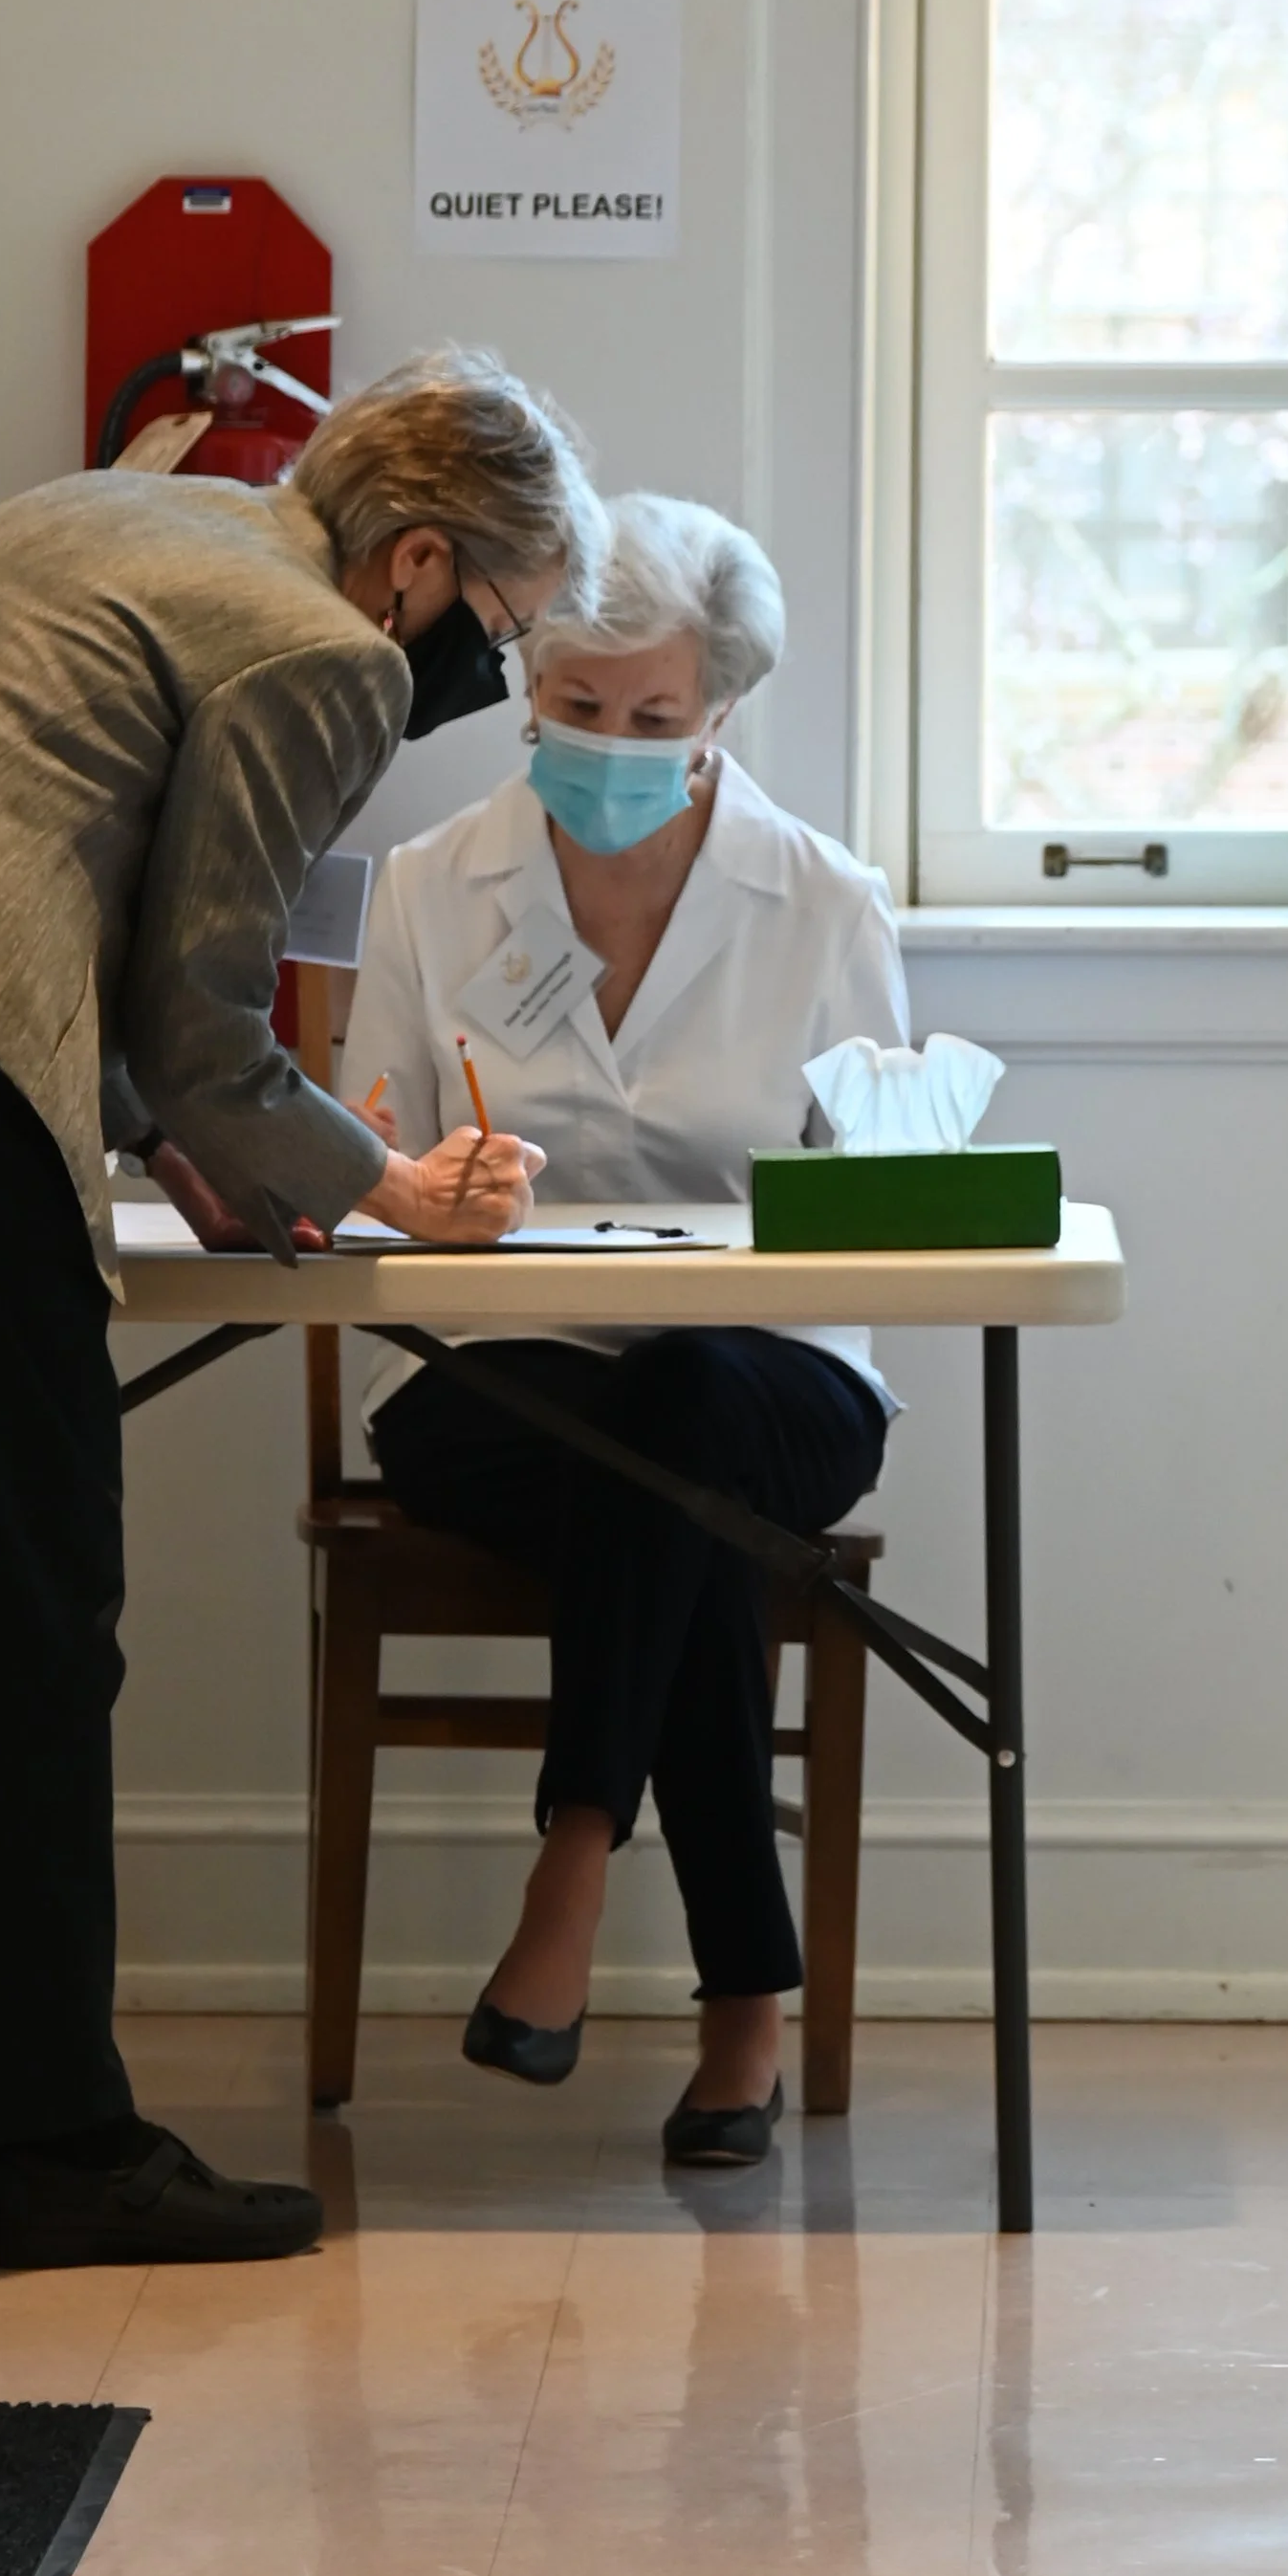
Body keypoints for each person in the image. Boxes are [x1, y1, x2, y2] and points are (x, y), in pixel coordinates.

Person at [0, 351, 600, 2270]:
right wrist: (388, 1191)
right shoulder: (323, 650)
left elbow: (96, 912)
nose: (481, 672)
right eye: (503, 624)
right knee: (19, 1607)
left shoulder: (123, 507)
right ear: (412, 562)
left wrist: (193, 1146)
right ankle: (62, 2144)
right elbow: (203, 1015)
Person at [338, 494, 906, 2168]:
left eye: (654, 720)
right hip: (497, 1376)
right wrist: (424, 1179)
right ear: (531, 686)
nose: (611, 745)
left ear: (719, 714)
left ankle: (573, 1855)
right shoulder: (437, 887)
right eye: (578, 709)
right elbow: (360, 1149)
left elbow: (889, 1200)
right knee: (674, 1491)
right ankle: (747, 2009)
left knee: (690, 1403)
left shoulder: (823, 902)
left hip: (775, 1376)